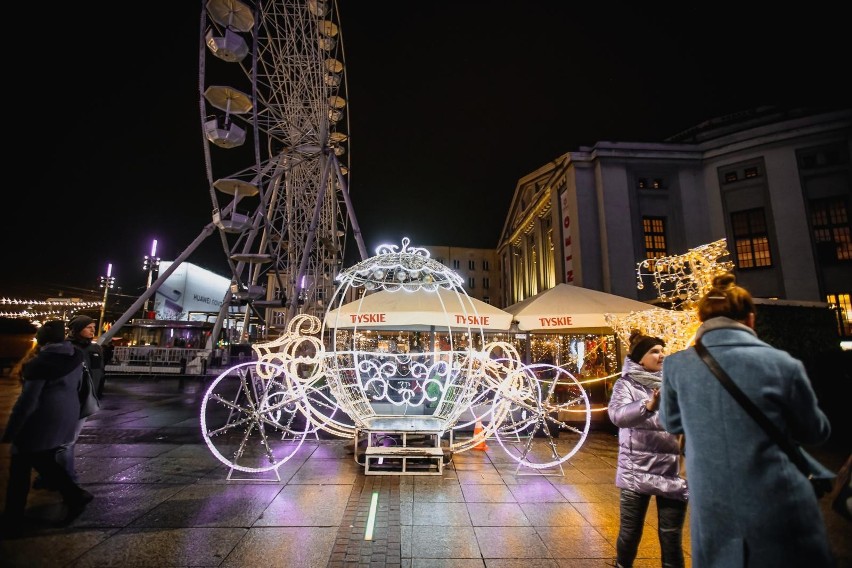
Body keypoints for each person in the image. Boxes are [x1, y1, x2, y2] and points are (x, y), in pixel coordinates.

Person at [659, 273, 833, 567]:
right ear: (751, 319)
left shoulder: (676, 366)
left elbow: (671, 423)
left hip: (712, 501)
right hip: (780, 501)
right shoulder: (783, 364)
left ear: (701, 320)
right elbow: (815, 432)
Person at [1, 320, 94, 536]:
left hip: (42, 417)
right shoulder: (76, 356)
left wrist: (12, 430)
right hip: (67, 415)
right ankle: (73, 494)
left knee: (21, 466)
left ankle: (13, 517)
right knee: (44, 460)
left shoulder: (41, 362)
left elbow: (28, 401)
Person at [608, 330, 688, 568]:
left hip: (673, 471)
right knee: (630, 533)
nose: (661, 355)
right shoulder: (626, 384)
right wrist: (648, 405)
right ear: (640, 358)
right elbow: (617, 415)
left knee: (671, 537)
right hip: (636, 469)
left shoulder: (675, 382)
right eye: (654, 351)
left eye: (663, 351)